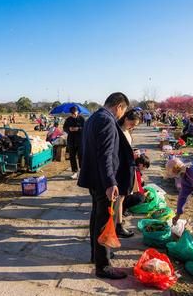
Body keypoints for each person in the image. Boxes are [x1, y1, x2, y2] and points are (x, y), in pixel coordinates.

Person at [78, 92, 130, 280]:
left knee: (96, 218)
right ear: (119, 106)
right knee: (104, 222)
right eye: (123, 111)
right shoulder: (107, 120)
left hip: (94, 178)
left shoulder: (93, 117)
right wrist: (110, 182)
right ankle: (103, 265)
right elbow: (105, 154)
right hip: (103, 181)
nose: (121, 115)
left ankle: (97, 254)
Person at [114, 108, 142, 238]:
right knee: (120, 197)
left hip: (127, 166)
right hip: (121, 168)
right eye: (132, 124)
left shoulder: (126, 130)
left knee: (122, 197)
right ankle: (117, 226)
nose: (132, 127)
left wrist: (134, 152)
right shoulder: (118, 130)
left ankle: (117, 223)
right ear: (126, 119)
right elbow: (117, 152)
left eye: (135, 126)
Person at [63, 106, 85, 180]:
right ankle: (74, 172)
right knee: (72, 156)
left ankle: (82, 172)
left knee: (81, 156)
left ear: (77, 112)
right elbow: (64, 128)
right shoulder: (68, 119)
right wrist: (69, 129)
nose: (74, 115)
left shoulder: (82, 119)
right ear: (70, 113)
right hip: (71, 140)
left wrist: (78, 129)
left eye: (75, 113)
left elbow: (85, 128)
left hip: (80, 140)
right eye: (72, 114)